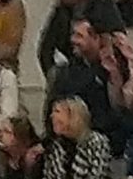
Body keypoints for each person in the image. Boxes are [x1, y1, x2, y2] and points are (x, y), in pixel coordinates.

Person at [48, 19, 124, 151]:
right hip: (70, 138)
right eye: (73, 34)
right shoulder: (68, 72)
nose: (73, 40)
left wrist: (114, 74)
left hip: (105, 139)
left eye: (79, 36)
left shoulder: (117, 66)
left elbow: (117, 110)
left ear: (96, 39)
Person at [37, 0, 125, 81]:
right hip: (71, 70)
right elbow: (45, 49)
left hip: (102, 72)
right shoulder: (61, 11)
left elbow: (118, 42)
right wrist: (53, 77)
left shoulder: (103, 7)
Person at [43, 96, 114, 179]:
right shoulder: (57, 146)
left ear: (74, 116)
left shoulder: (97, 142)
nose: (52, 116)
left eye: (57, 111)